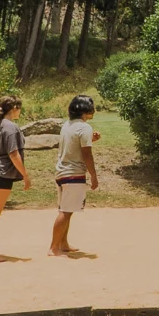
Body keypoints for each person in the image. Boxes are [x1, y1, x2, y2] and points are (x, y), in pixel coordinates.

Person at [0, 96, 31, 261]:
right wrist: (25, 175)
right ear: (14, 107)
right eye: (19, 108)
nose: (20, 111)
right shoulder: (10, 126)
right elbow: (13, 154)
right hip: (0, 174)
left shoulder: (2, 124)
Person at [50, 94, 101, 257]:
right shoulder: (85, 128)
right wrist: (93, 175)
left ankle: (63, 243)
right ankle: (53, 247)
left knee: (67, 210)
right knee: (65, 212)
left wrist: (90, 140)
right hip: (74, 174)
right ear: (85, 110)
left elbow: (74, 145)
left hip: (62, 172)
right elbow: (87, 154)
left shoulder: (68, 125)